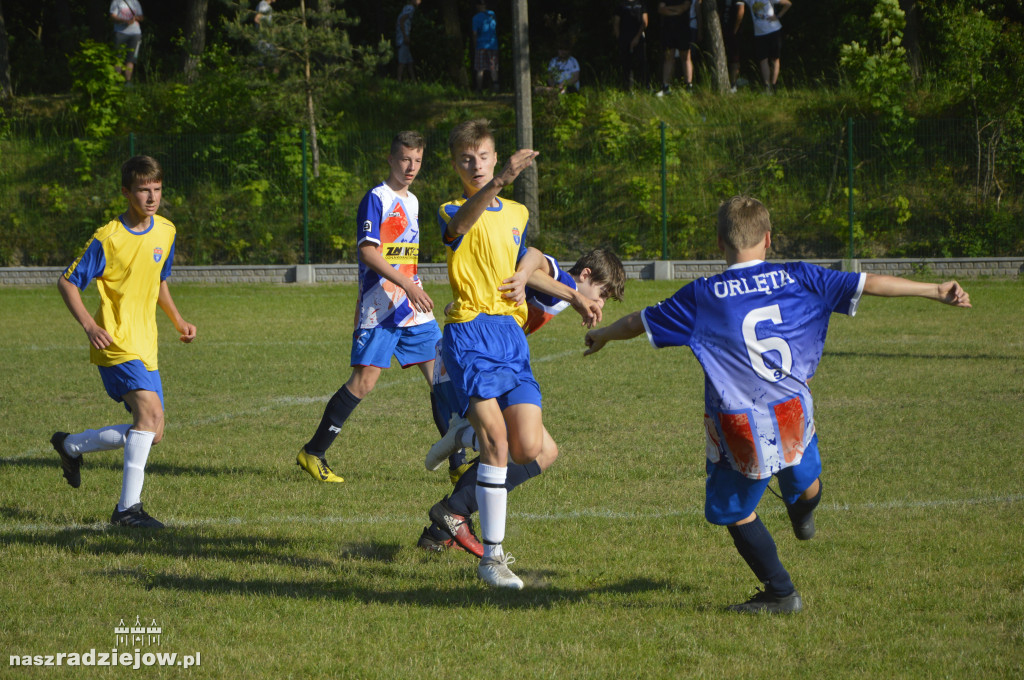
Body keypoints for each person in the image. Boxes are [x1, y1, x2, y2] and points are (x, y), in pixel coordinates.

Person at [582, 195, 971, 613]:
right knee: (804, 478)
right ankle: (802, 513)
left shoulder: (703, 294)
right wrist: (934, 289)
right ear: (769, 239)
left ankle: (781, 593)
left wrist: (602, 335)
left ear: (718, 242)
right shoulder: (801, 276)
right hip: (792, 410)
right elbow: (869, 282)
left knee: (734, 512)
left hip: (739, 423)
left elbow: (638, 321)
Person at [418, 249, 626, 557]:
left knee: (541, 450)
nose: (600, 303)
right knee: (531, 449)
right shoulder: (563, 286)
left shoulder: (555, 295)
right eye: (602, 294)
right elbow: (534, 255)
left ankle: (442, 526)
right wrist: (531, 276)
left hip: (478, 360)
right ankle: (458, 480)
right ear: (585, 276)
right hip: (473, 361)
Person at [434, 119, 559, 589]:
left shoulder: (518, 214)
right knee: (499, 447)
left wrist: (571, 293)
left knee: (530, 448)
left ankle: (464, 427)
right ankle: (493, 557)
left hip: (511, 334)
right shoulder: (452, 208)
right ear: (456, 165)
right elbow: (462, 226)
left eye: (483, 156)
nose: (477, 165)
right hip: (469, 331)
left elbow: (527, 261)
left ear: (492, 154)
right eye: (467, 159)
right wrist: (502, 179)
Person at [51, 155, 196, 529]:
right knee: (148, 418)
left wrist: (177, 319)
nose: (151, 197)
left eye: (157, 189)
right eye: (143, 190)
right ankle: (127, 510)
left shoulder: (166, 230)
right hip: (115, 342)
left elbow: (158, 280)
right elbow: (67, 282)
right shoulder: (108, 238)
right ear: (126, 192)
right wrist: (88, 325)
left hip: (147, 342)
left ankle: (71, 446)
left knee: (154, 432)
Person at [295, 131, 440, 483]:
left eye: (418, 160)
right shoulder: (377, 198)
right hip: (381, 304)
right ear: (391, 159)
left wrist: (411, 285)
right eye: (405, 159)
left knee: (442, 376)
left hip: (412, 304)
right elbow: (368, 252)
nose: (411, 166)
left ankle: (458, 461)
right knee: (363, 382)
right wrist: (404, 283)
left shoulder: (415, 202)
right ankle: (312, 453)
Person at [744, 0, 790, 93]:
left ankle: (774, 85)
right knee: (763, 60)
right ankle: (767, 87)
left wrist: (778, 16)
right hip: (760, 34)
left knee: (775, 59)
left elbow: (788, 4)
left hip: (774, 31)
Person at [656, 0, 691, 96]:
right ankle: (665, 86)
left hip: (683, 28)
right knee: (668, 57)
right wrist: (676, 10)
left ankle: (688, 86)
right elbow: (661, 9)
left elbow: (684, 7)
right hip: (668, 29)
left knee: (685, 56)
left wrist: (670, 9)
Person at [613, 0, 649, 92]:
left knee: (641, 63)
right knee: (626, 64)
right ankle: (628, 88)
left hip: (639, 37)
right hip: (625, 39)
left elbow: (645, 22)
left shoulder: (641, 4)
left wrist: (637, 38)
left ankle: (643, 87)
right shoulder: (621, 5)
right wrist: (620, 40)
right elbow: (616, 23)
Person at [109, 0, 144, 84]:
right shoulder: (116, 2)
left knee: (131, 59)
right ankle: (117, 80)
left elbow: (141, 17)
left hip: (135, 33)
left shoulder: (135, 2)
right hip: (120, 32)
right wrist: (124, 20)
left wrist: (134, 18)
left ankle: (128, 81)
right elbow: (112, 16)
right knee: (118, 58)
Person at [472, 2, 499, 94]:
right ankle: (496, 87)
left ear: (477, 6)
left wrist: (475, 45)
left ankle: (479, 89)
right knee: (493, 67)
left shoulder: (475, 18)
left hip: (481, 45)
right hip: (493, 44)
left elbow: (475, 34)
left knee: (480, 68)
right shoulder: (492, 14)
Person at [717, 0, 746, 90]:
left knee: (734, 58)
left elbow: (741, 11)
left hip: (734, 32)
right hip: (723, 30)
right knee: (724, 56)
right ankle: (727, 80)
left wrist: (735, 29)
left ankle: (733, 84)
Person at [395, 0, 421, 82]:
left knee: (410, 61)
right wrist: (405, 36)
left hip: (402, 37)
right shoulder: (410, 9)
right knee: (402, 61)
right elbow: (402, 20)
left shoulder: (406, 7)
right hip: (403, 38)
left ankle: (414, 80)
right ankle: (398, 80)